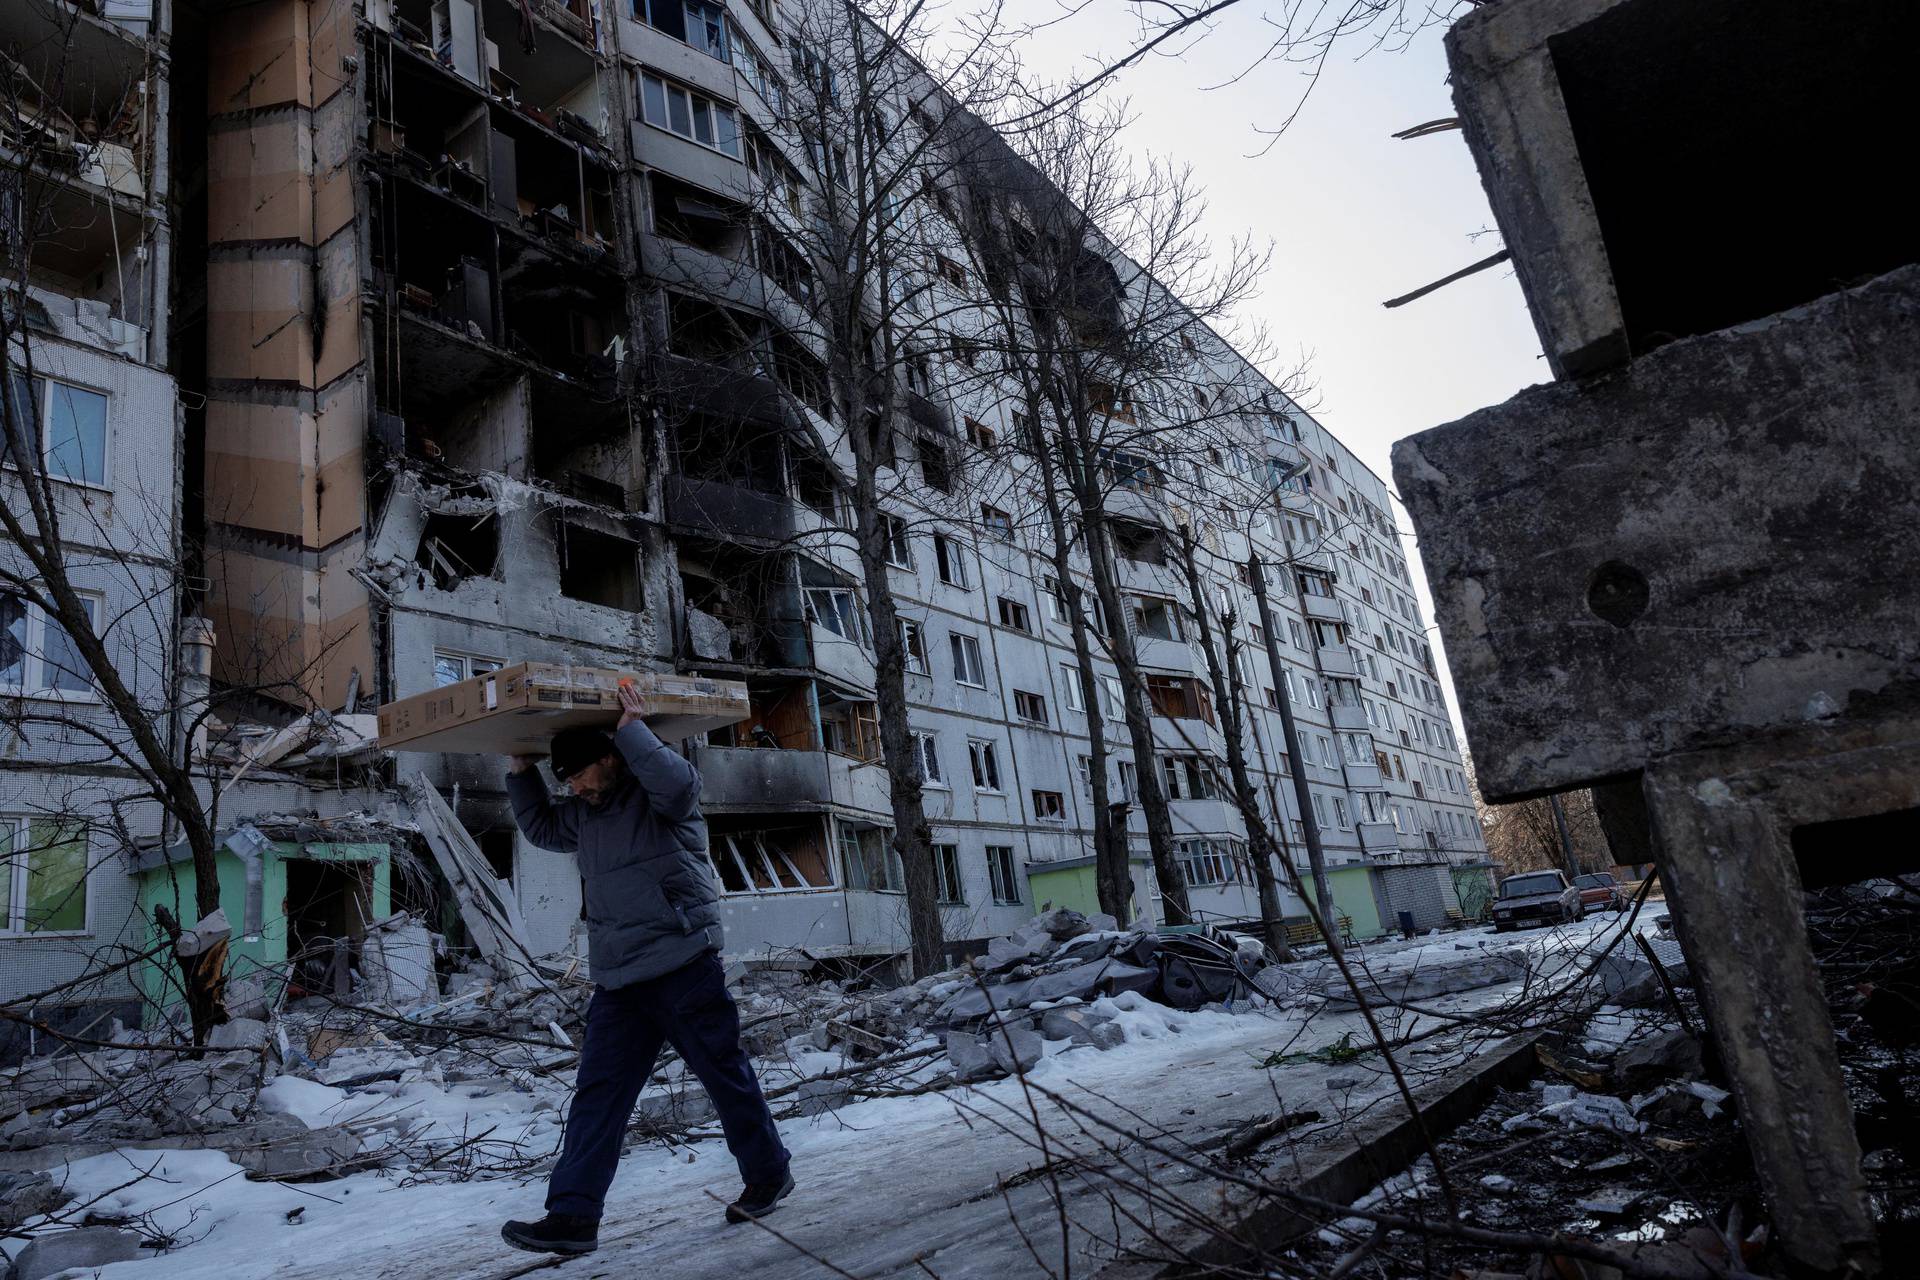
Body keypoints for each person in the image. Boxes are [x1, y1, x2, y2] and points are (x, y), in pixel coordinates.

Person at [499, 683, 792, 1256]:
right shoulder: (583, 815)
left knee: (722, 1075)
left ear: (609, 758)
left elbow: (680, 782)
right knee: (598, 1095)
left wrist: (632, 729)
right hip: (619, 978)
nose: (575, 788)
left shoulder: (661, 796)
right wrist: (519, 769)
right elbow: (538, 828)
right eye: (567, 781)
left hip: (683, 960)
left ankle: (768, 1172)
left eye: (580, 774)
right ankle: (573, 1217)